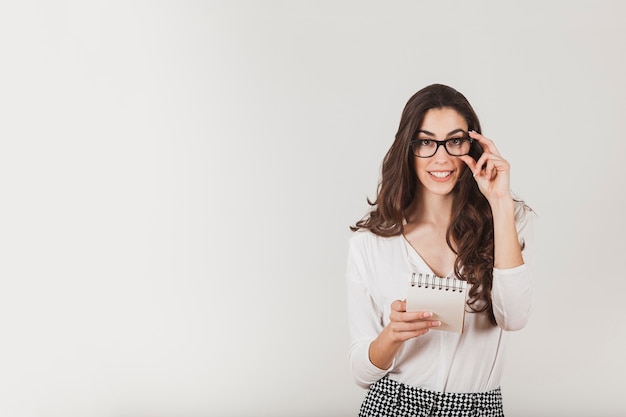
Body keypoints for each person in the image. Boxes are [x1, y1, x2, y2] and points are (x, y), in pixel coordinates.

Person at [345, 84, 535, 417]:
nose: (442, 157)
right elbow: (361, 371)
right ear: (408, 148)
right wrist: (392, 335)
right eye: (426, 142)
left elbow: (514, 317)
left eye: (455, 141)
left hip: (478, 408)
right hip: (393, 406)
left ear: (473, 146)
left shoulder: (505, 221)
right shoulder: (370, 244)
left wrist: (500, 202)